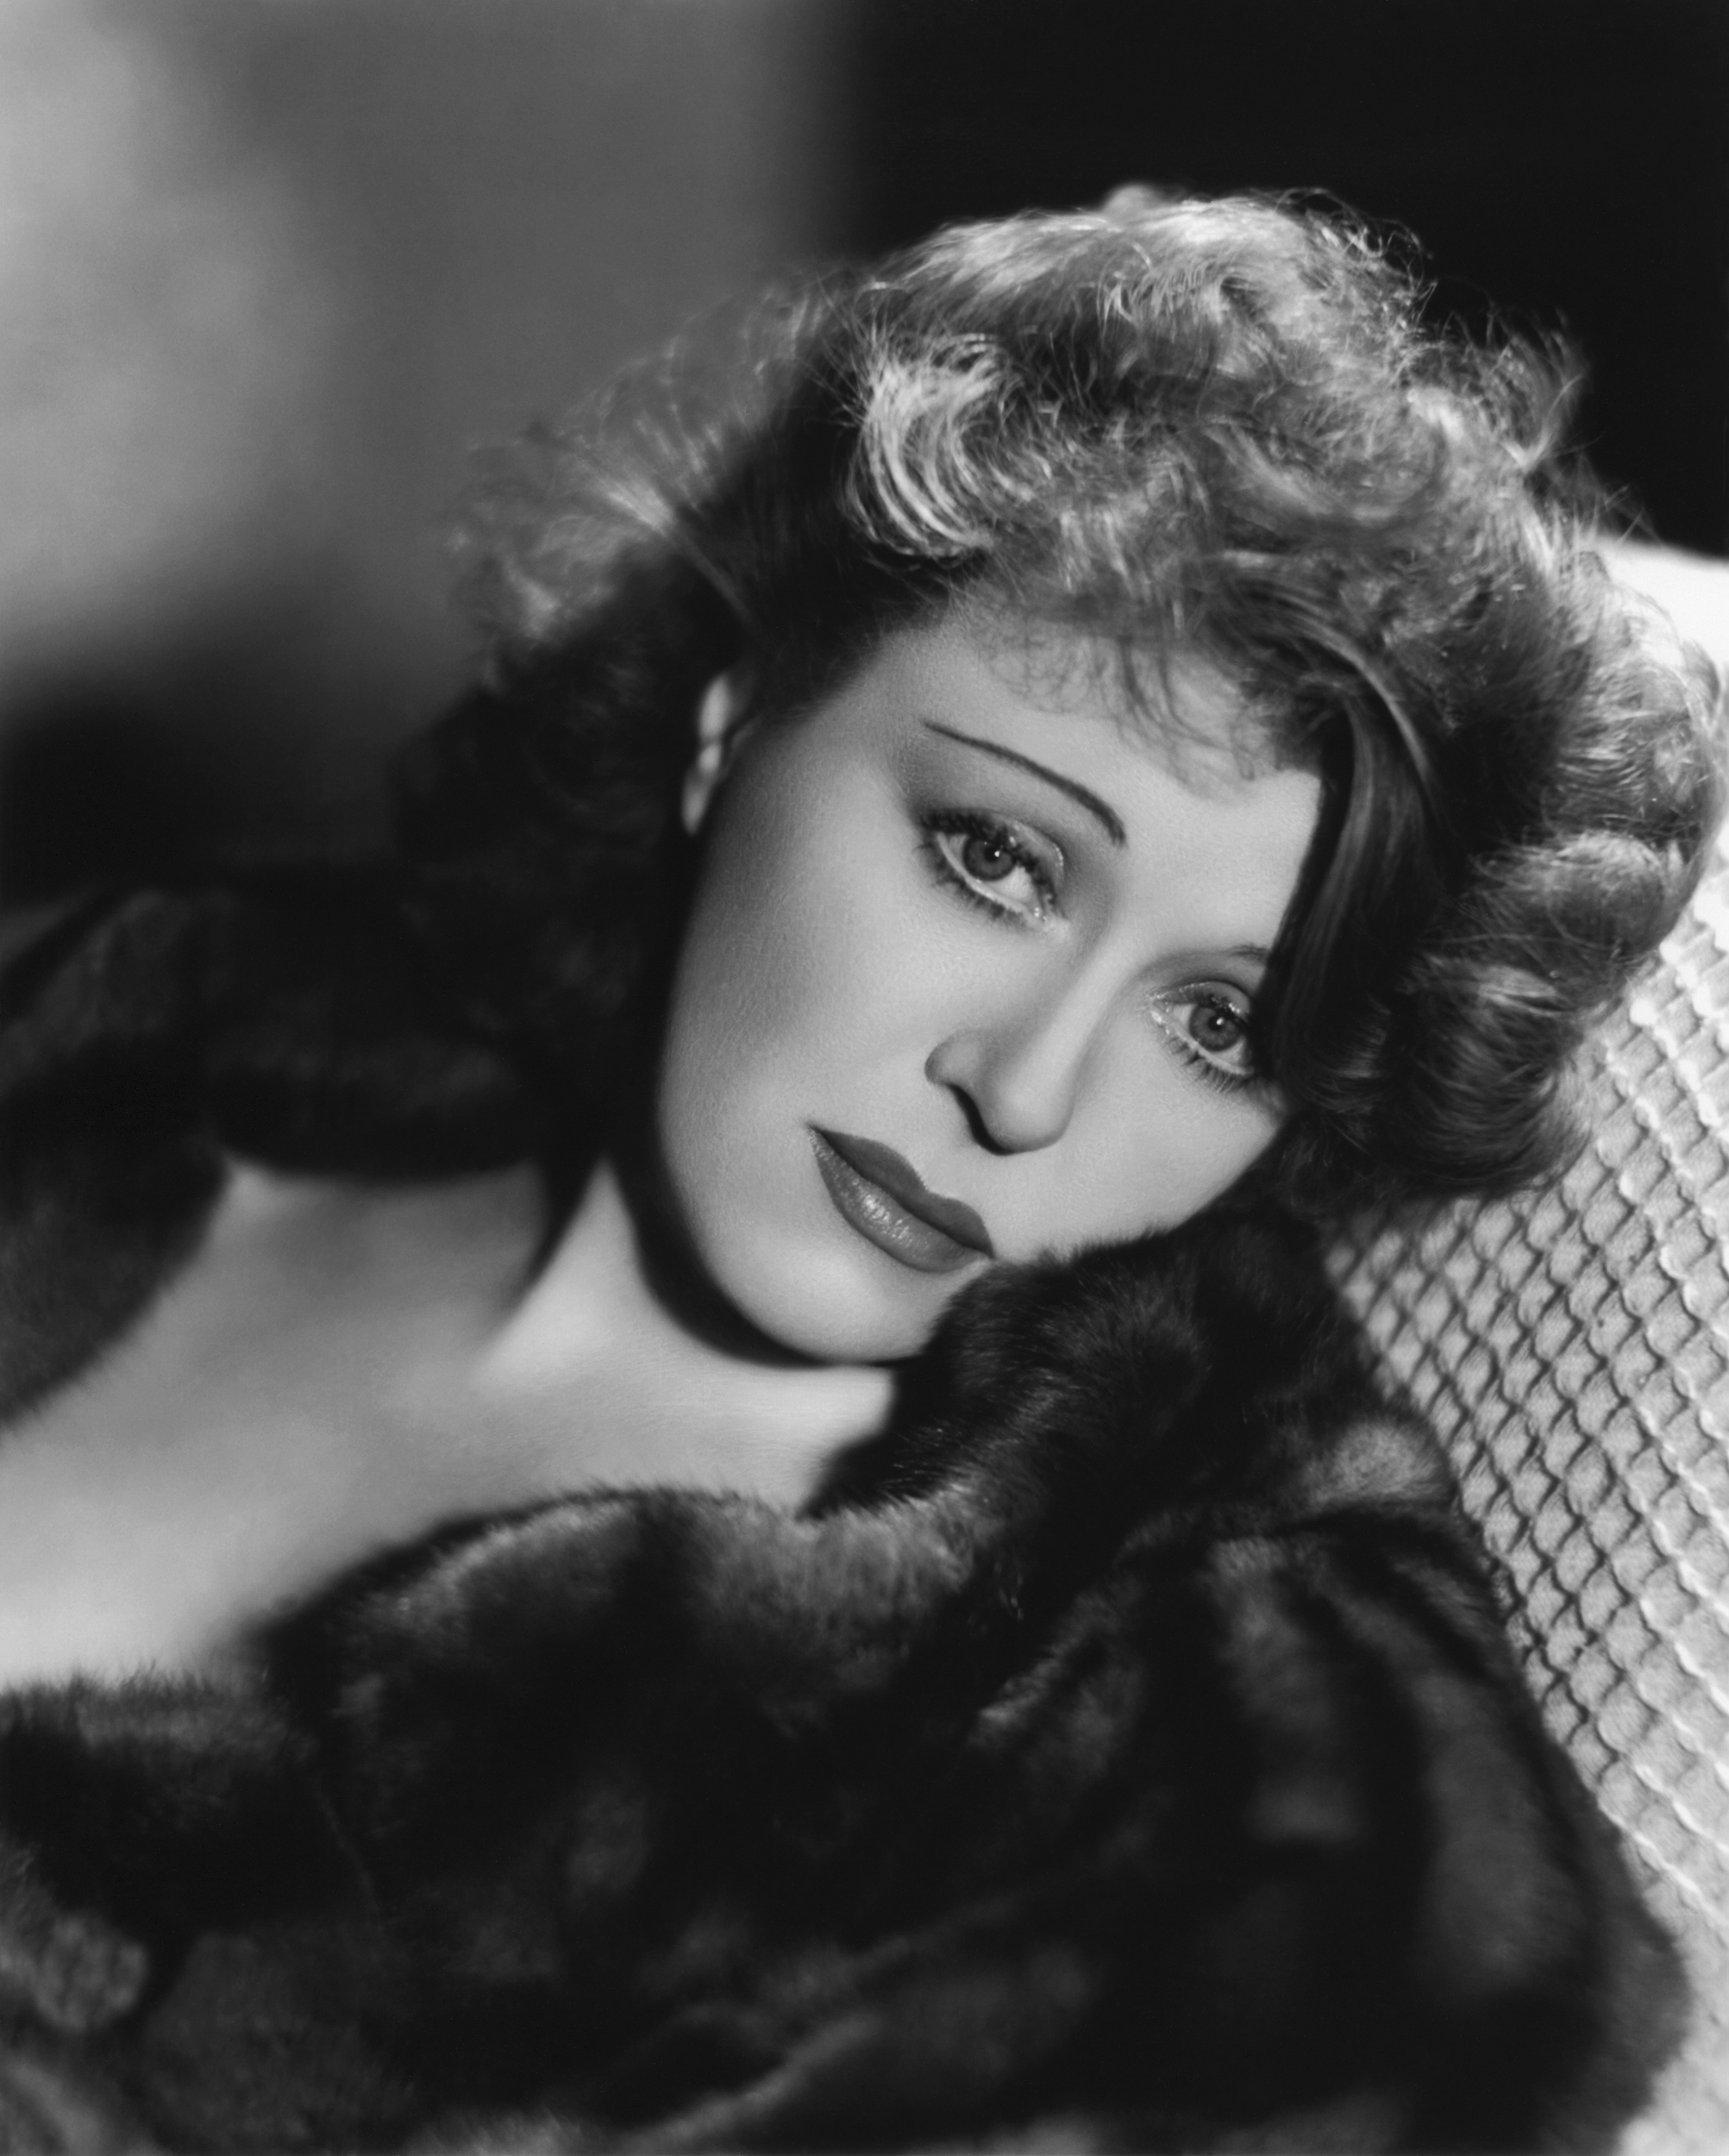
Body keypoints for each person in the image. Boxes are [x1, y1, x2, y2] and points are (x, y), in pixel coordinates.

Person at [0, 189, 1718, 2152]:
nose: (1022, 1089)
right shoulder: (160, 1041)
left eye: (1218, 1025)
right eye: (997, 859)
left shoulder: (1176, 1770)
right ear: (734, 725)